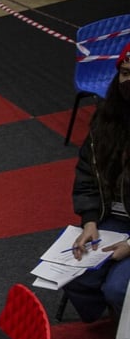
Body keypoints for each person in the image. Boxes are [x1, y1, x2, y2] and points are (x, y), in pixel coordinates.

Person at [65, 42, 130, 323]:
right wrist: (89, 220)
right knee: (75, 274)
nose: (129, 81)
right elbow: (87, 175)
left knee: (116, 288)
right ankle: (117, 318)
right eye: (125, 73)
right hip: (111, 218)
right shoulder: (105, 120)